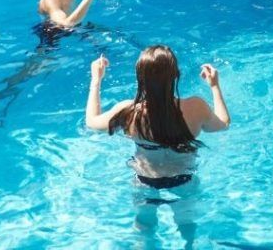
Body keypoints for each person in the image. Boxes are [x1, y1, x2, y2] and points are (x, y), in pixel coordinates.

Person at [85, 46, 230, 246]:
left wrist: (96, 80)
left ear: (140, 78)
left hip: (145, 181)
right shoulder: (195, 107)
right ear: (176, 75)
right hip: (184, 181)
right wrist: (215, 86)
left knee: (144, 226)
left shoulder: (129, 112)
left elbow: (92, 122)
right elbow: (222, 124)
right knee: (187, 225)